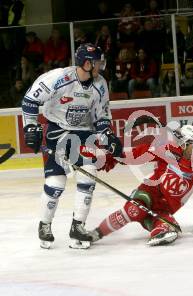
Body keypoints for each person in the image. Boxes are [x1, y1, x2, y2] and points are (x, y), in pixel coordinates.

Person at [21, 43, 122, 249]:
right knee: (56, 183)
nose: (100, 66)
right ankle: (45, 225)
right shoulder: (58, 78)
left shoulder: (100, 84)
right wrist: (30, 127)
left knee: (89, 172)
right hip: (56, 131)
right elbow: (30, 100)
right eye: (97, 63)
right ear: (86, 63)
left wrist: (108, 135)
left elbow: (101, 116)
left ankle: (78, 226)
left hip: (83, 133)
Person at [89, 125, 193, 246]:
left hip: (164, 209)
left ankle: (158, 227)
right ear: (183, 143)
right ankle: (96, 234)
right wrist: (114, 157)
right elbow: (135, 156)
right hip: (148, 195)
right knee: (134, 210)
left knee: (165, 228)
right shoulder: (165, 149)